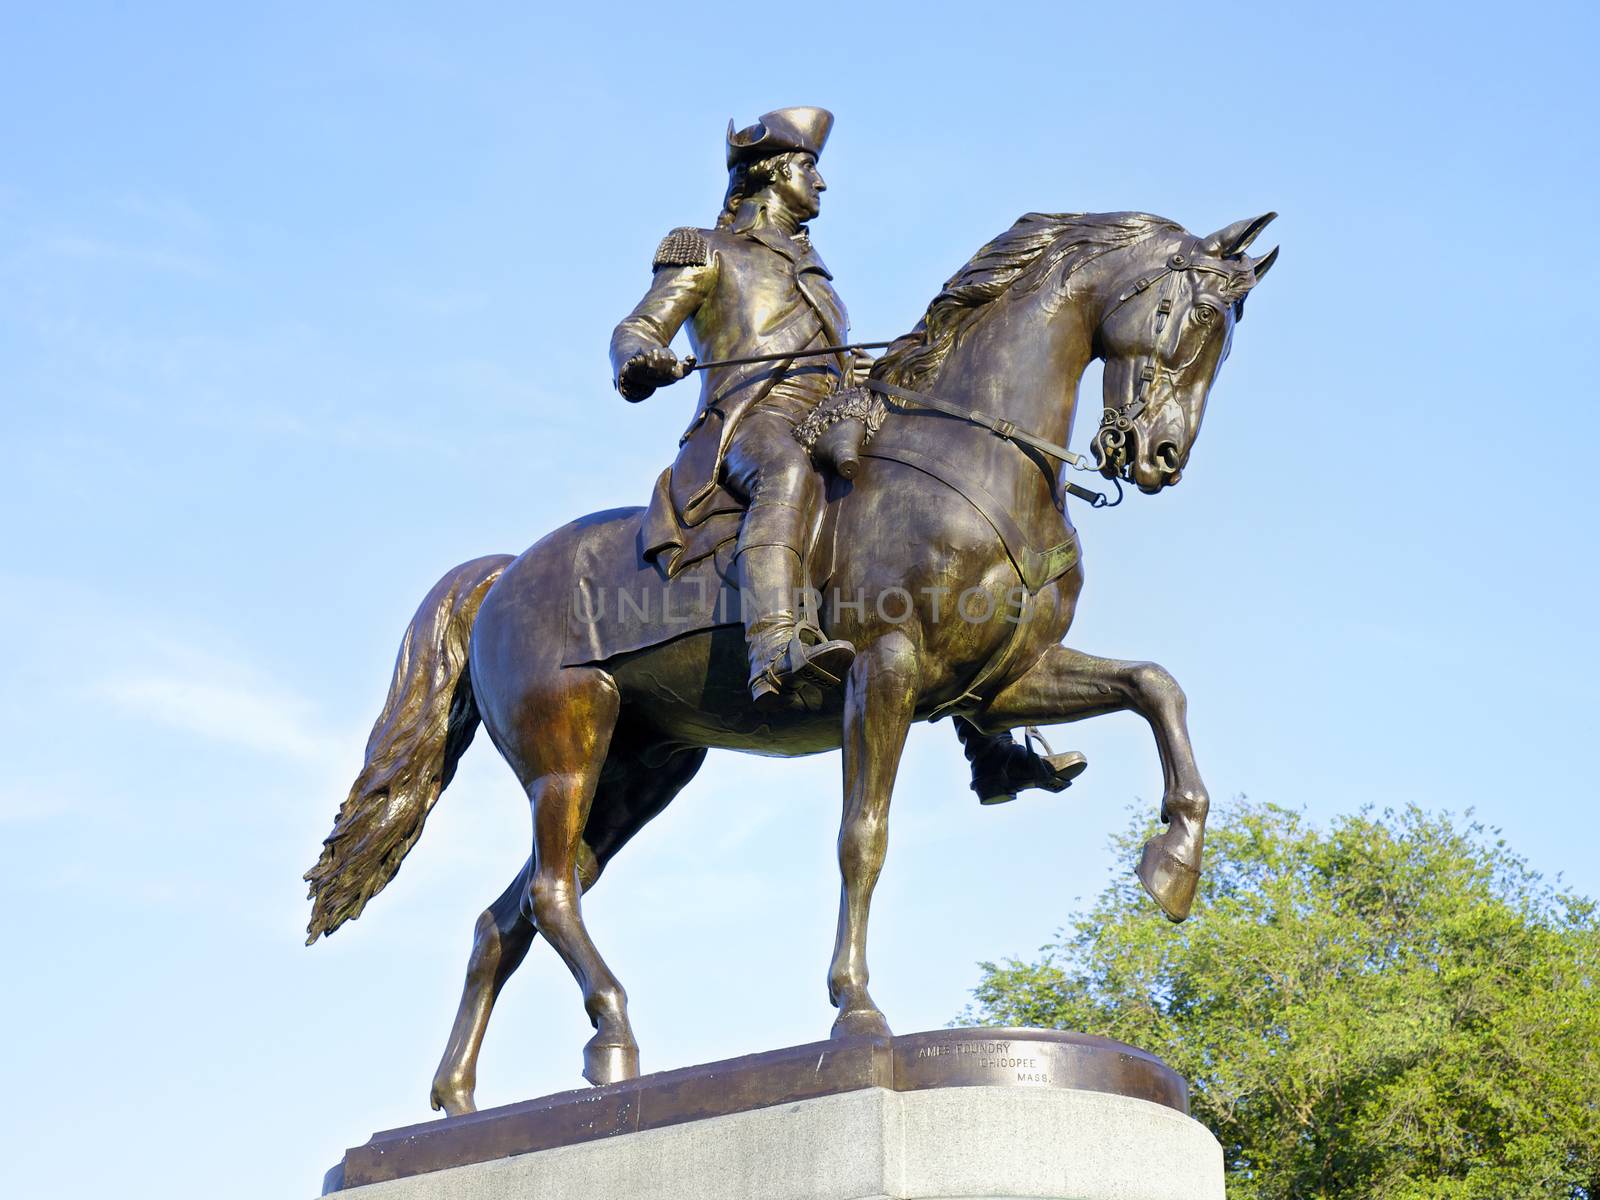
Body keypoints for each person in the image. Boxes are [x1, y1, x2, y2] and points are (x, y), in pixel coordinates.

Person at [611, 107, 1085, 800]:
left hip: (830, 415)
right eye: (809, 168)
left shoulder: (816, 275)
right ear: (771, 175)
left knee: (931, 520)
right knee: (787, 473)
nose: (821, 184)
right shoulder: (705, 248)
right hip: (748, 421)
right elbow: (636, 327)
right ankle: (776, 646)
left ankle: (991, 749)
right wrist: (644, 357)